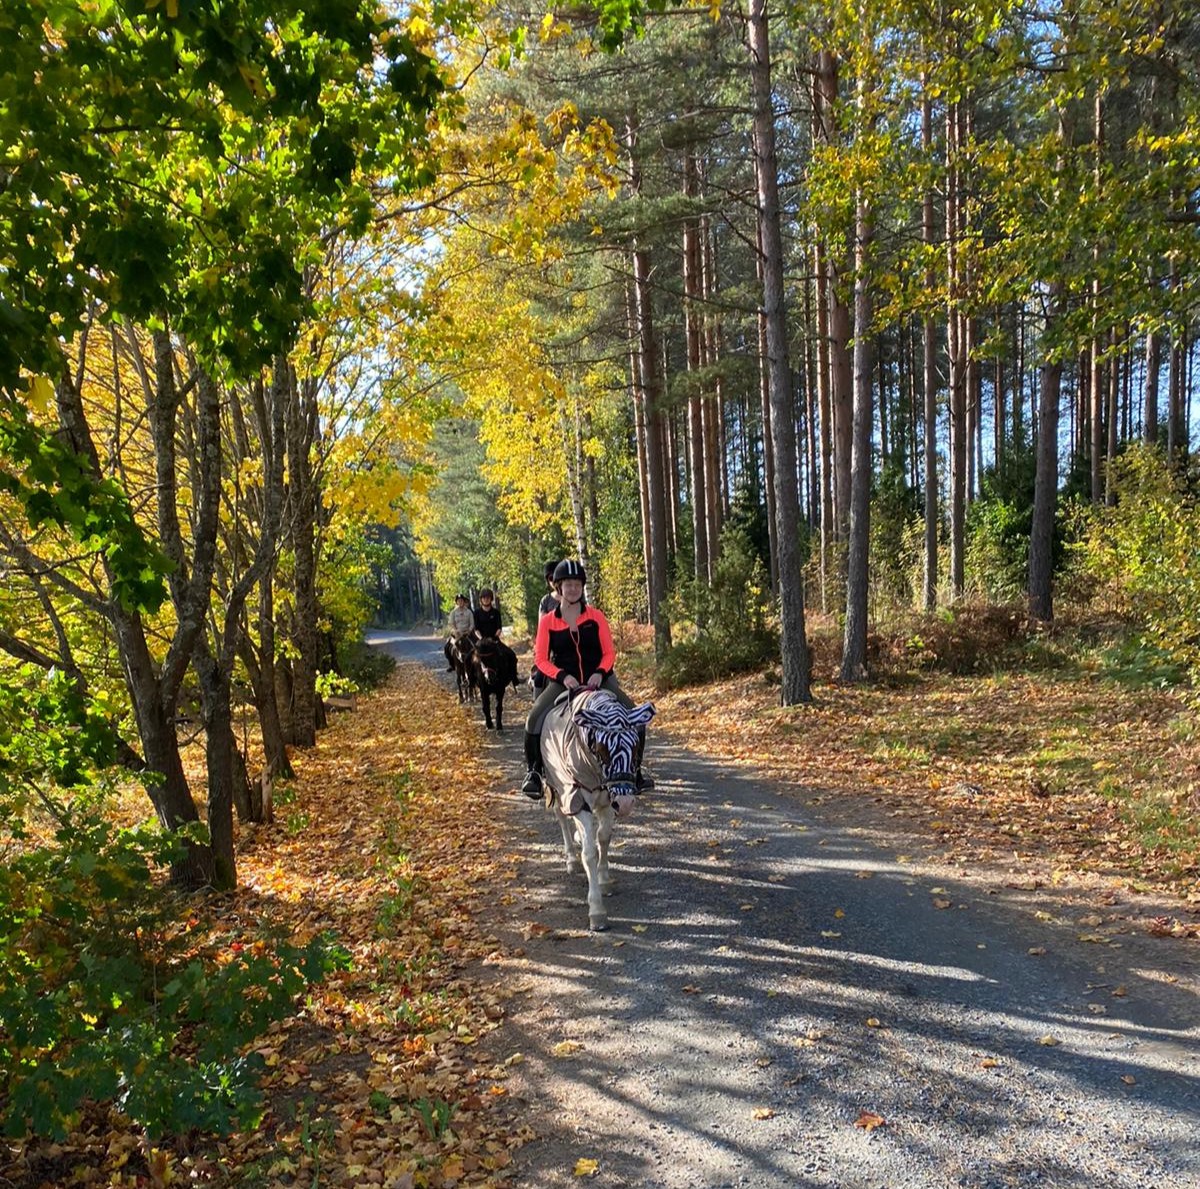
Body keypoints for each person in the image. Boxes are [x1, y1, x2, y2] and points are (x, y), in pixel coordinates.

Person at [520, 559, 652, 797]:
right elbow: (541, 659)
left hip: (599, 678)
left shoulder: (596, 617)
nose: (573, 589)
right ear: (559, 588)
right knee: (533, 719)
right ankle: (534, 773)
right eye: (568, 585)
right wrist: (562, 675)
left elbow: (609, 652)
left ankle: (636, 772)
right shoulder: (548, 621)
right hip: (563, 682)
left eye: (577, 585)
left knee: (635, 717)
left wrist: (600, 673)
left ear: (582, 587)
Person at [530, 560, 560, 691]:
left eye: (557, 577)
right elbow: (542, 626)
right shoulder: (546, 601)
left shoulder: (576, 597)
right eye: (551, 578)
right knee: (538, 679)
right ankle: (538, 707)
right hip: (551, 644)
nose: (554, 581)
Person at [444, 593, 474, 670]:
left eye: (462, 601)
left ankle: (476, 663)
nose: (460, 602)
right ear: (456, 602)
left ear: (464, 602)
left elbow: (472, 624)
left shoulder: (469, 612)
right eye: (459, 601)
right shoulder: (453, 612)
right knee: (447, 646)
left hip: (467, 633)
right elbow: (451, 624)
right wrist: (455, 630)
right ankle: (452, 664)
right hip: (457, 634)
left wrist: (469, 630)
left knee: (476, 645)